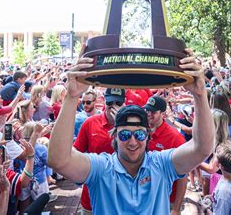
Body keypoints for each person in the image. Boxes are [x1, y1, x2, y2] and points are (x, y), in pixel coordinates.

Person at [48, 52, 215, 214]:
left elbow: (202, 148)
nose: (133, 142)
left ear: (148, 136)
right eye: (125, 135)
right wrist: (71, 96)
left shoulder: (161, 165)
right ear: (114, 136)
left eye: (140, 135)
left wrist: (200, 94)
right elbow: (59, 160)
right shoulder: (101, 168)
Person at [72, 88, 125, 213]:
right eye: (110, 103)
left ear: (124, 103)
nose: (113, 107)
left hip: (121, 193)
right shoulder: (90, 123)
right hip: (94, 193)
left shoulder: (130, 125)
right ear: (103, 101)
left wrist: (121, 126)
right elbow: (76, 152)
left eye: (118, 104)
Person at [144, 95, 187, 214]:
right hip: (145, 198)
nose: (148, 114)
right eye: (147, 110)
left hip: (167, 201)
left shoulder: (176, 138)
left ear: (163, 114)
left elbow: (183, 177)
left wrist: (176, 209)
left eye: (152, 112)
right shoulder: (142, 131)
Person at [210, 143, 231, 215]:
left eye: (215, 156)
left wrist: (206, 211)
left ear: (219, 165)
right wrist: (212, 197)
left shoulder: (224, 192)